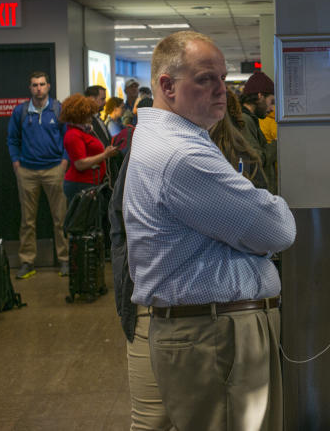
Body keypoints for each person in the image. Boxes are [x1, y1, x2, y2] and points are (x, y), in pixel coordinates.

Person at [123, 31, 296, 431]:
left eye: (222, 77)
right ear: (167, 85)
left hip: (212, 330)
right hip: (215, 336)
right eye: (206, 79)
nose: (223, 90)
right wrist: (269, 204)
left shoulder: (172, 140)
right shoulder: (183, 156)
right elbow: (277, 230)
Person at [6, 71, 68, 280]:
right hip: (27, 170)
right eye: (34, 85)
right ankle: (27, 261)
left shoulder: (58, 109)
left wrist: (64, 161)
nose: (38, 88)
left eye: (42, 84)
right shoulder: (21, 111)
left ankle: (65, 259)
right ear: (30, 88)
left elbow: (68, 137)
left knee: (61, 218)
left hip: (54, 169)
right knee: (27, 220)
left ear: (48, 86)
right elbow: (12, 138)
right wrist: (16, 161)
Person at [60, 93, 117, 205]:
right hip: (80, 184)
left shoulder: (83, 131)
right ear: (80, 115)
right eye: (88, 115)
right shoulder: (73, 135)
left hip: (90, 182)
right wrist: (105, 155)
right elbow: (80, 164)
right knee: (82, 220)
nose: (91, 118)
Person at [240, 71, 277, 193]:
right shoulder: (245, 121)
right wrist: (277, 144)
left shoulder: (250, 119)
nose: (272, 108)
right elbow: (257, 158)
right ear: (260, 96)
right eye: (271, 102)